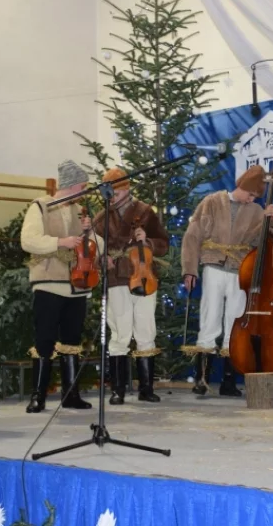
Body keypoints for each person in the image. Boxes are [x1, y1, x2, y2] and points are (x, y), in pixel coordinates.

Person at [181, 165, 273, 396]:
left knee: (236, 324)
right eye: (250, 194)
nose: (252, 199)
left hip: (240, 270)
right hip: (213, 265)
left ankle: (229, 381)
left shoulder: (258, 211)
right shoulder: (212, 201)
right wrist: (190, 269)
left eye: (256, 197)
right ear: (242, 186)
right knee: (210, 320)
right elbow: (193, 235)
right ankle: (203, 379)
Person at [20, 160, 98, 413]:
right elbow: (28, 240)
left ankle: (70, 394)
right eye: (83, 186)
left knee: (72, 341)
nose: (85, 191)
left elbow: (96, 247)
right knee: (44, 339)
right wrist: (61, 242)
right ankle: (38, 395)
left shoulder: (80, 211)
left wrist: (89, 232)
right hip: (48, 283)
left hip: (77, 285)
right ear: (73, 185)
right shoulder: (41, 206)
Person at [92, 167, 169, 405]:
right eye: (109, 192)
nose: (112, 196)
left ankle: (146, 389)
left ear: (126, 189)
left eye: (116, 191)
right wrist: (102, 260)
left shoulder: (146, 211)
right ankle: (118, 390)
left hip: (144, 275)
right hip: (116, 279)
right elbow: (93, 251)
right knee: (120, 332)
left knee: (146, 329)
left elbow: (163, 244)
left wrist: (147, 240)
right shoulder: (100, 218)